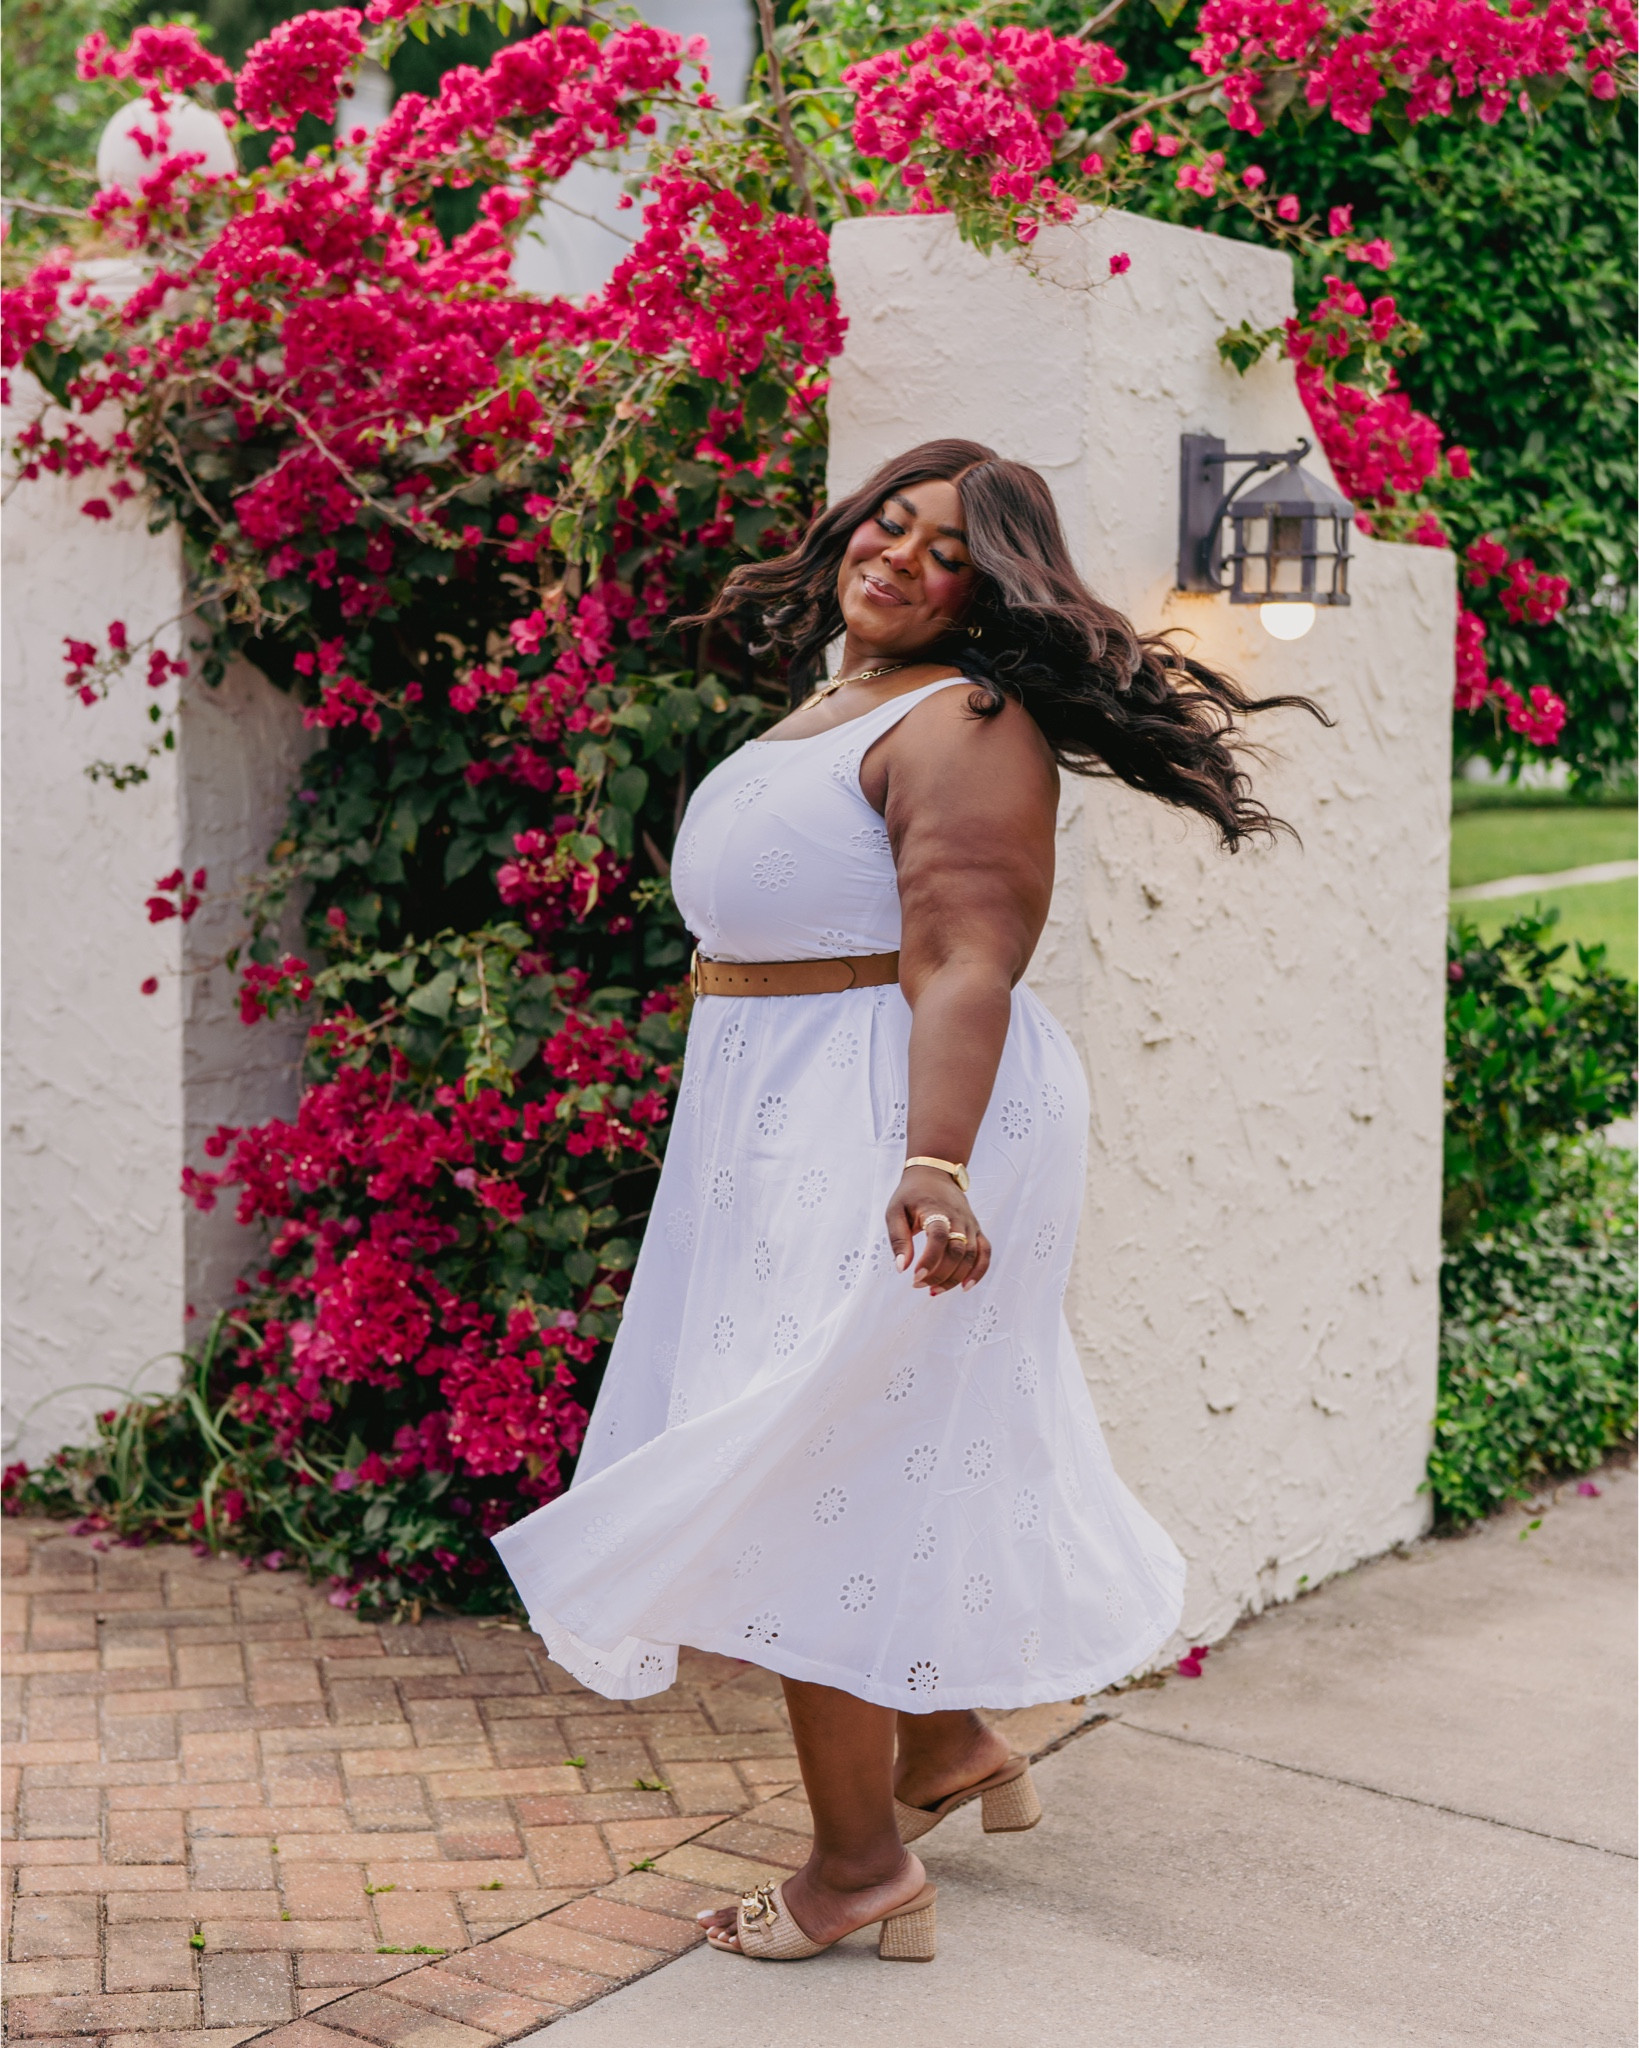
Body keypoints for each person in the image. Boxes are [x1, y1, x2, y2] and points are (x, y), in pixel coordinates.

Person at [493, 439, 1322, 1964]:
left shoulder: (967, 722)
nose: (898, 554)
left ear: (982, 593)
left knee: (816, 1457)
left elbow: (965, 955)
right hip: (790, 1100)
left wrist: (932, 1160)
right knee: (854, 1435)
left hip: (891, 1114)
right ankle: (945, 1749)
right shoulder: (845, 694)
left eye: (945, 550)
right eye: (893, 518)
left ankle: (858, 1870)